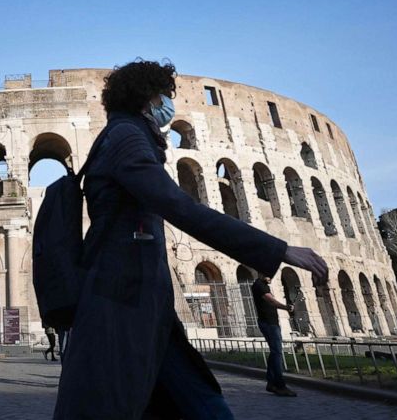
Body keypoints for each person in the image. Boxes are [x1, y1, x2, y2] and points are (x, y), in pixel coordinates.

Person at [53, 60, 328, 419]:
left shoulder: (124, 135)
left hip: (139, 301)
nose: (170, 103)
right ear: (147, 97)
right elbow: (179, 205)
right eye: (166, 95)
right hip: (122, 299)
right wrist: (279, 249)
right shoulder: (127, 138)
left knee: (198, 402)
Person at [250, 276, 296, 397]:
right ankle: (280, 385)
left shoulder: (263, 285)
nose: (271, 277)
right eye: (269, 274)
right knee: (277, 353)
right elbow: (271, 301)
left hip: (271, 322)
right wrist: (286, 307)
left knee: (275, 352)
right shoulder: (259, 285)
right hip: (268, 323)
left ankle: (271, 383)